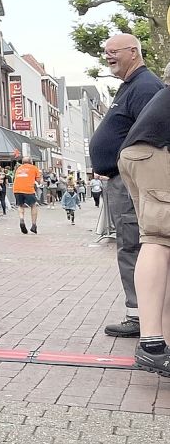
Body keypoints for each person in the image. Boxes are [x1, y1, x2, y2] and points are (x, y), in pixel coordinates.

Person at [89, 33, 164, 338]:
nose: (107, 57)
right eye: (104, 52)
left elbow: (152, 133)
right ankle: (141, 314)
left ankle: (142, 317)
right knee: (131, 243)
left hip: (132, 181)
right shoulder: (133, 85)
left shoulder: (145, 86)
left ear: (133, 52)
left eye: (113, 51)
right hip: (123, 178)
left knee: (134, 243)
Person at [117, 83, 170, 374]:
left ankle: (163, 344)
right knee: (159, 239)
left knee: (163, 244)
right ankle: (152, 345)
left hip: (142, 152)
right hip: (156, 151)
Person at [13, 156, 42, 234]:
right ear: (31, 161)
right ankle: (33, 225)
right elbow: (38, 180)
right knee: (34, 205)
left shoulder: (18, 168)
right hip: (28, 189)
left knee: (20, 205)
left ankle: (21, 219)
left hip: (17, 188)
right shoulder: (34, 168)